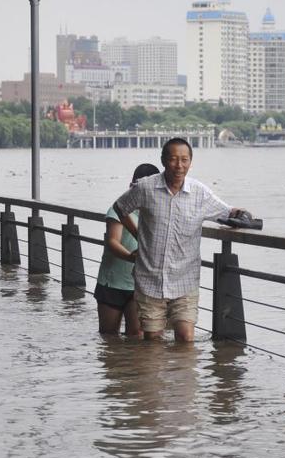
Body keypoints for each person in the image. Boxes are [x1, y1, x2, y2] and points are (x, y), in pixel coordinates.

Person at [113, 137, 247, 342]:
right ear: (163, 160)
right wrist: (138, 234)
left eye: (184, 160)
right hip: (150, 277)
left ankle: (182, 374)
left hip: (185, 279)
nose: (179, 165)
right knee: (153, 341)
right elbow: (120, 208)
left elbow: (226, 211)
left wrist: (242, 214)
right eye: (174, 159)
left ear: (190, 162)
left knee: (186, 338)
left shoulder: (199, 193)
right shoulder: (145, 188)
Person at [95, 163, 160, 335]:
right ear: (132, 186)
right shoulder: (119, 209)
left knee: (136, 337)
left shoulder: (157, 213)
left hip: (140, 285)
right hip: (112, 282)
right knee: (109, 335)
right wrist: (132, 258)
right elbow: (113, 241)